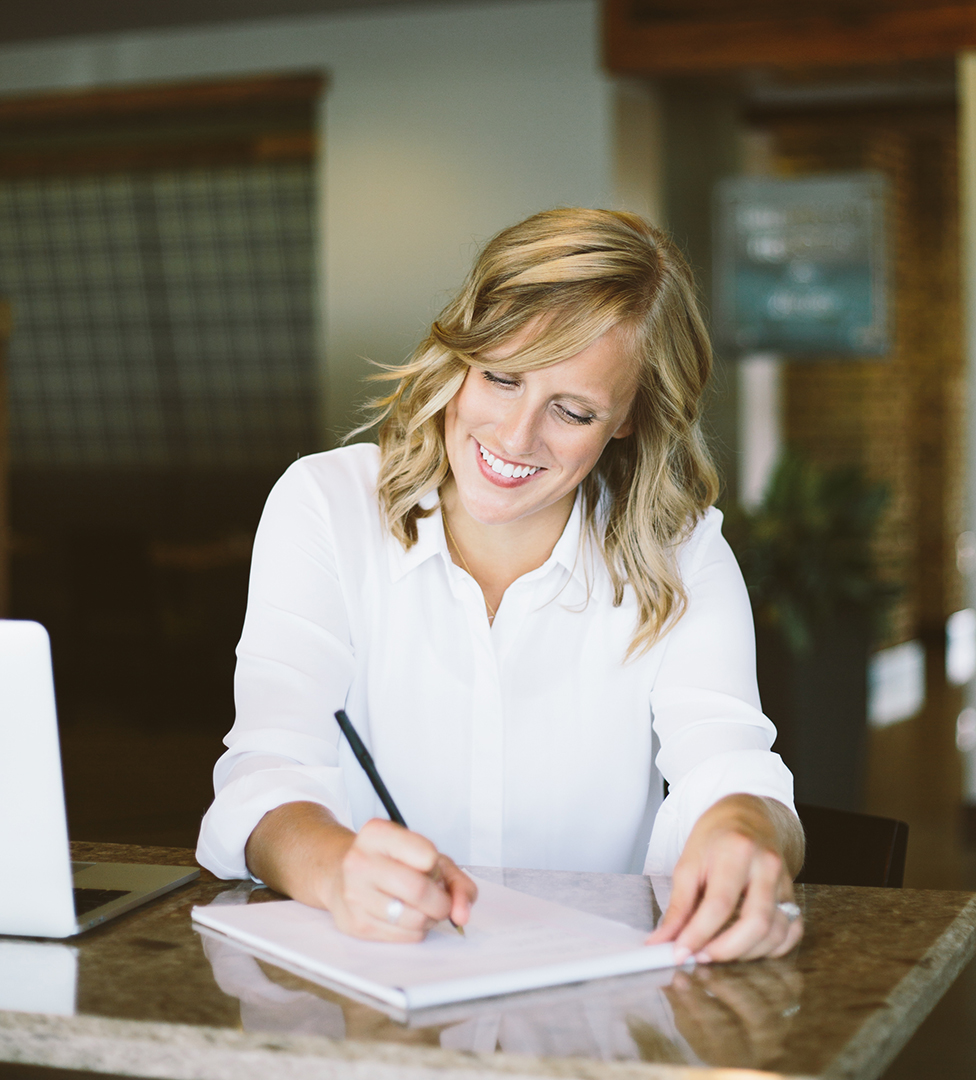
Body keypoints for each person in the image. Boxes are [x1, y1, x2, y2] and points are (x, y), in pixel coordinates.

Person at [196, 208, 804, 964]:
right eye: (501, 377)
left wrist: (739, 828)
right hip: (370, 984)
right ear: (459, 355)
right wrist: (333, 866)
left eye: (573, 410)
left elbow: (729, 765)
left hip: (595, 1010)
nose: (515, 438)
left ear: (627, 420)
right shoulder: (324, 505)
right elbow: (268, 767)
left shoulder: (683, 553)